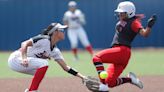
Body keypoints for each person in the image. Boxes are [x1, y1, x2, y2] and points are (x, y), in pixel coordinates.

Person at [86, 1, 157, 92]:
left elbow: (145, 34)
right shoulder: (124, 20)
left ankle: (103, 85)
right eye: (119, 12)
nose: (119, 14)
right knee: (110, 83)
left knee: (96, 58)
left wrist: (149, 26)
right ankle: (130, 79)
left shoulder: (134, 22)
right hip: (121, 55)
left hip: (122, 51)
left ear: (129, 13)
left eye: (122, 12)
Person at [8, 22, 86, 92]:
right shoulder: (44, 39)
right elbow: (24, 43)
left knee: (40, 72)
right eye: (62, 30)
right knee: (44, 63)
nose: (64, 32)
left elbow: (66, 67)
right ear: (55, 32)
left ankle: (30, 90)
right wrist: (24, 58)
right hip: (16, 59)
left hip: (24, 63)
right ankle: (32, 90)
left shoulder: (55, 51)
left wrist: (82, 77)